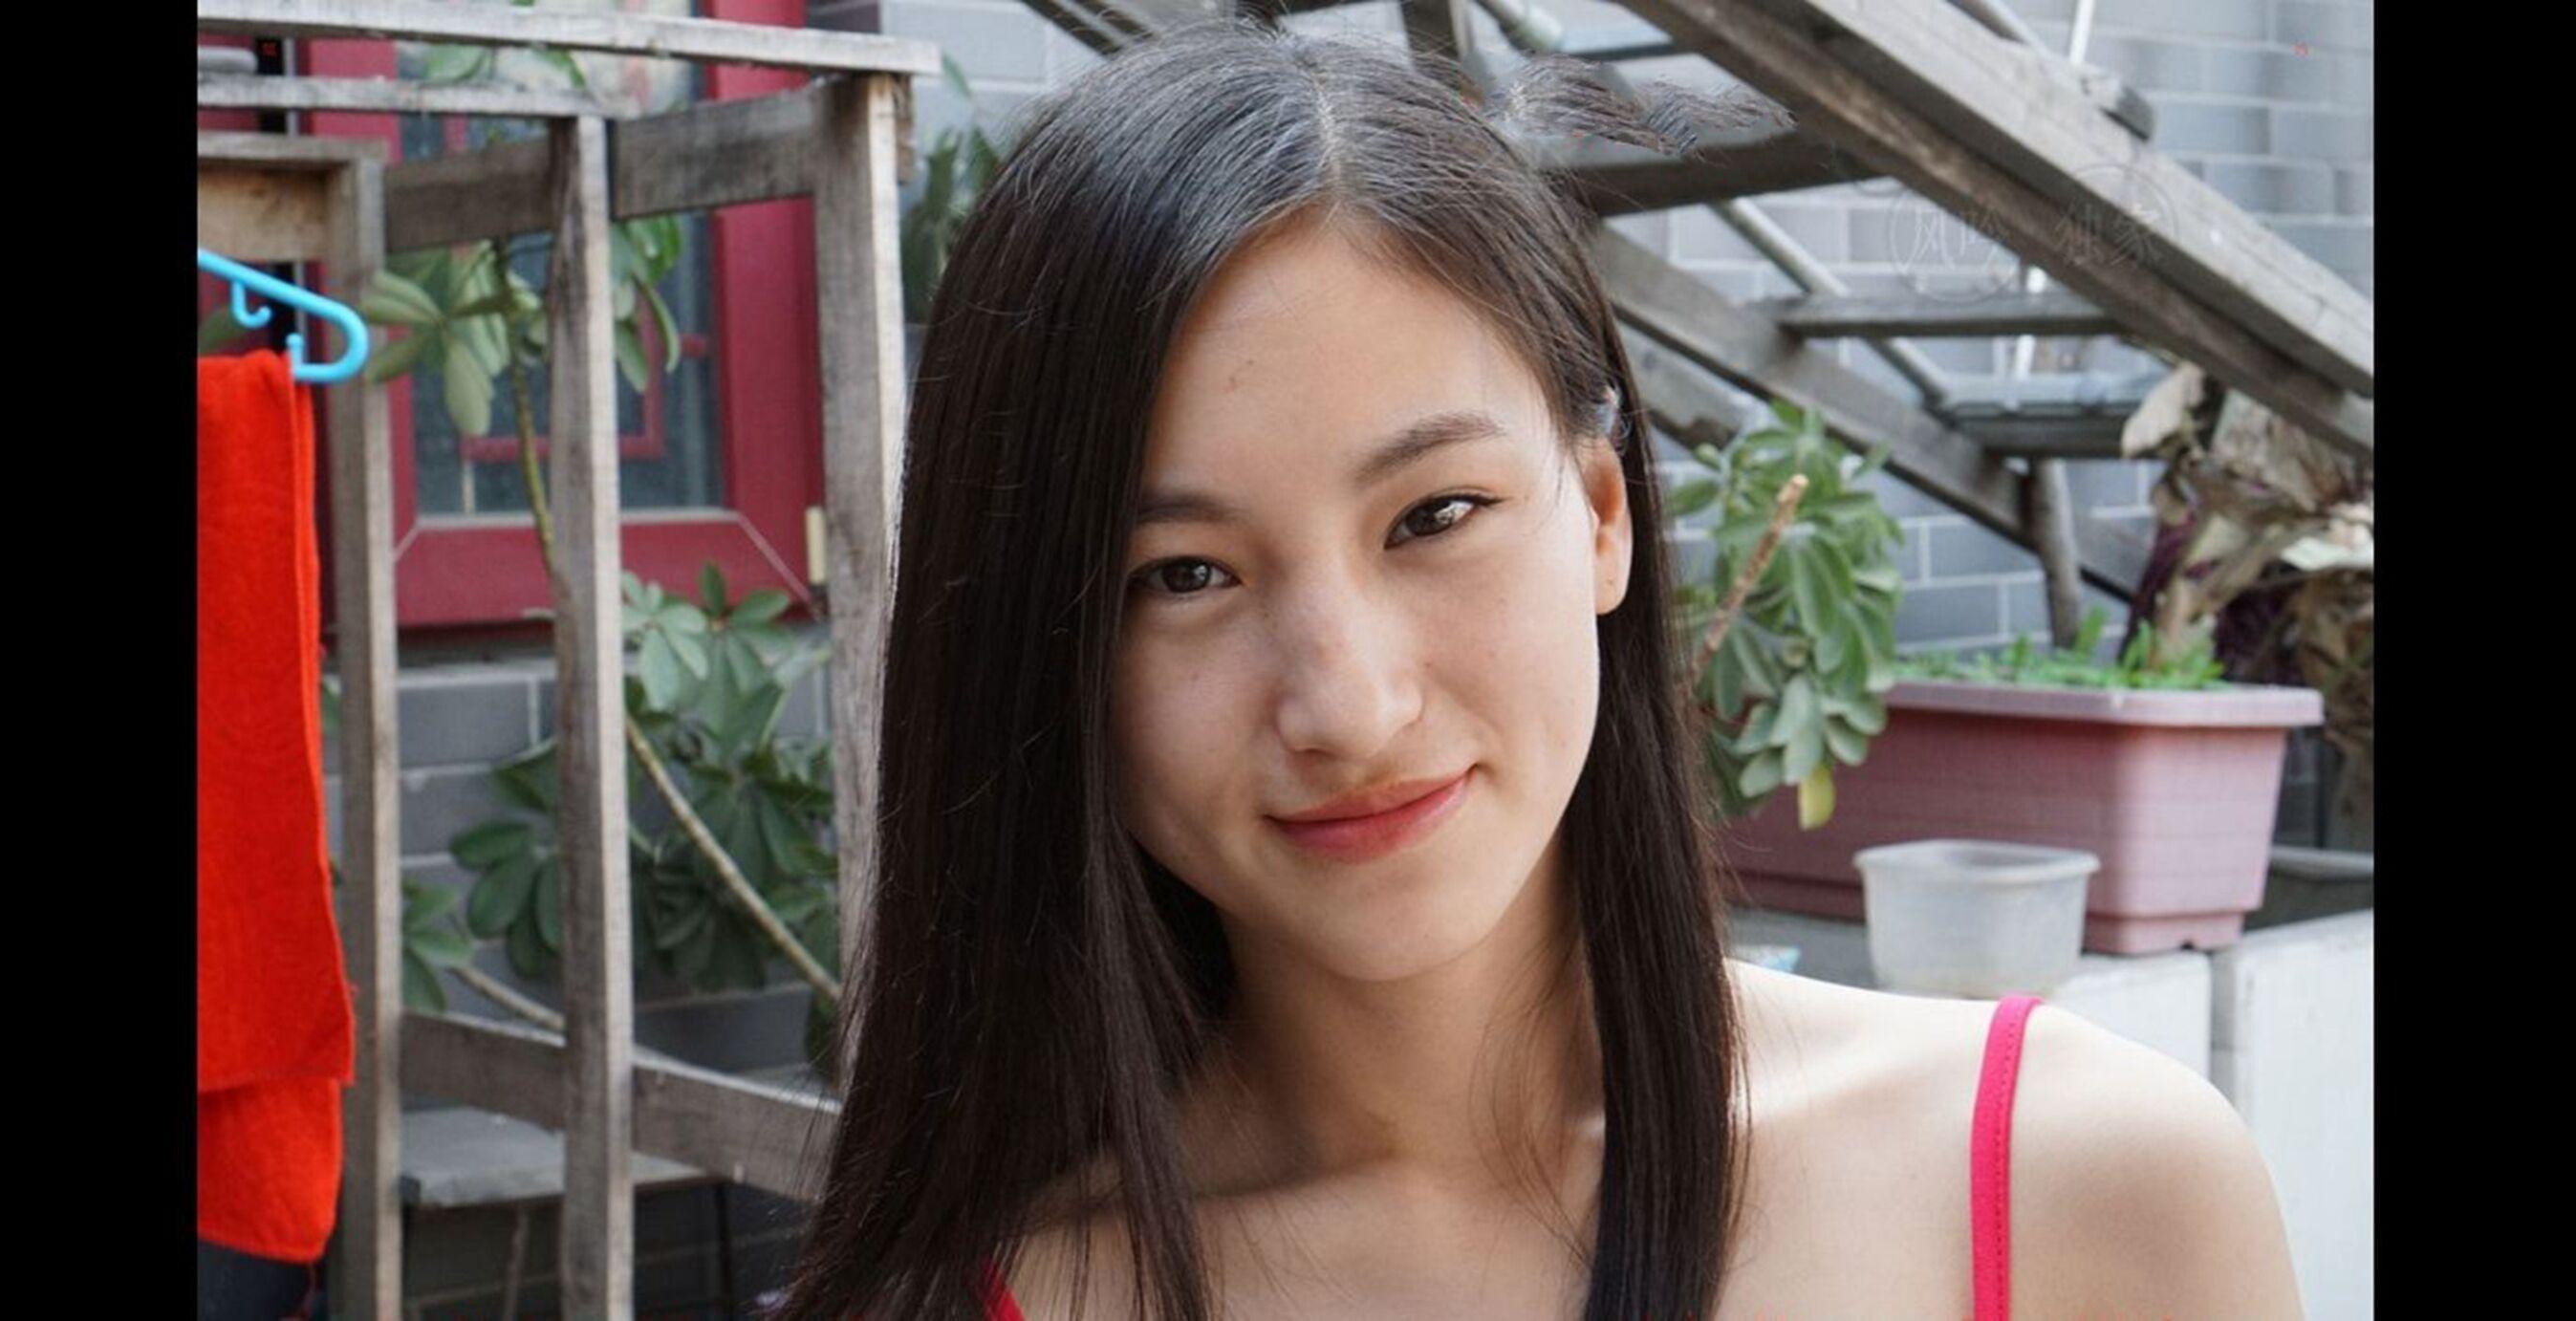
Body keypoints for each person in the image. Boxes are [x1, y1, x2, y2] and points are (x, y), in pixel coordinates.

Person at [771, 18, 2304, 1320]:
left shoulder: (2090, 1186)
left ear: (1602, 512)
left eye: (1435, 516)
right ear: (1048, 650)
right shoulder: (990, 1290)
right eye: (1183, 576)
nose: (1350, 705)